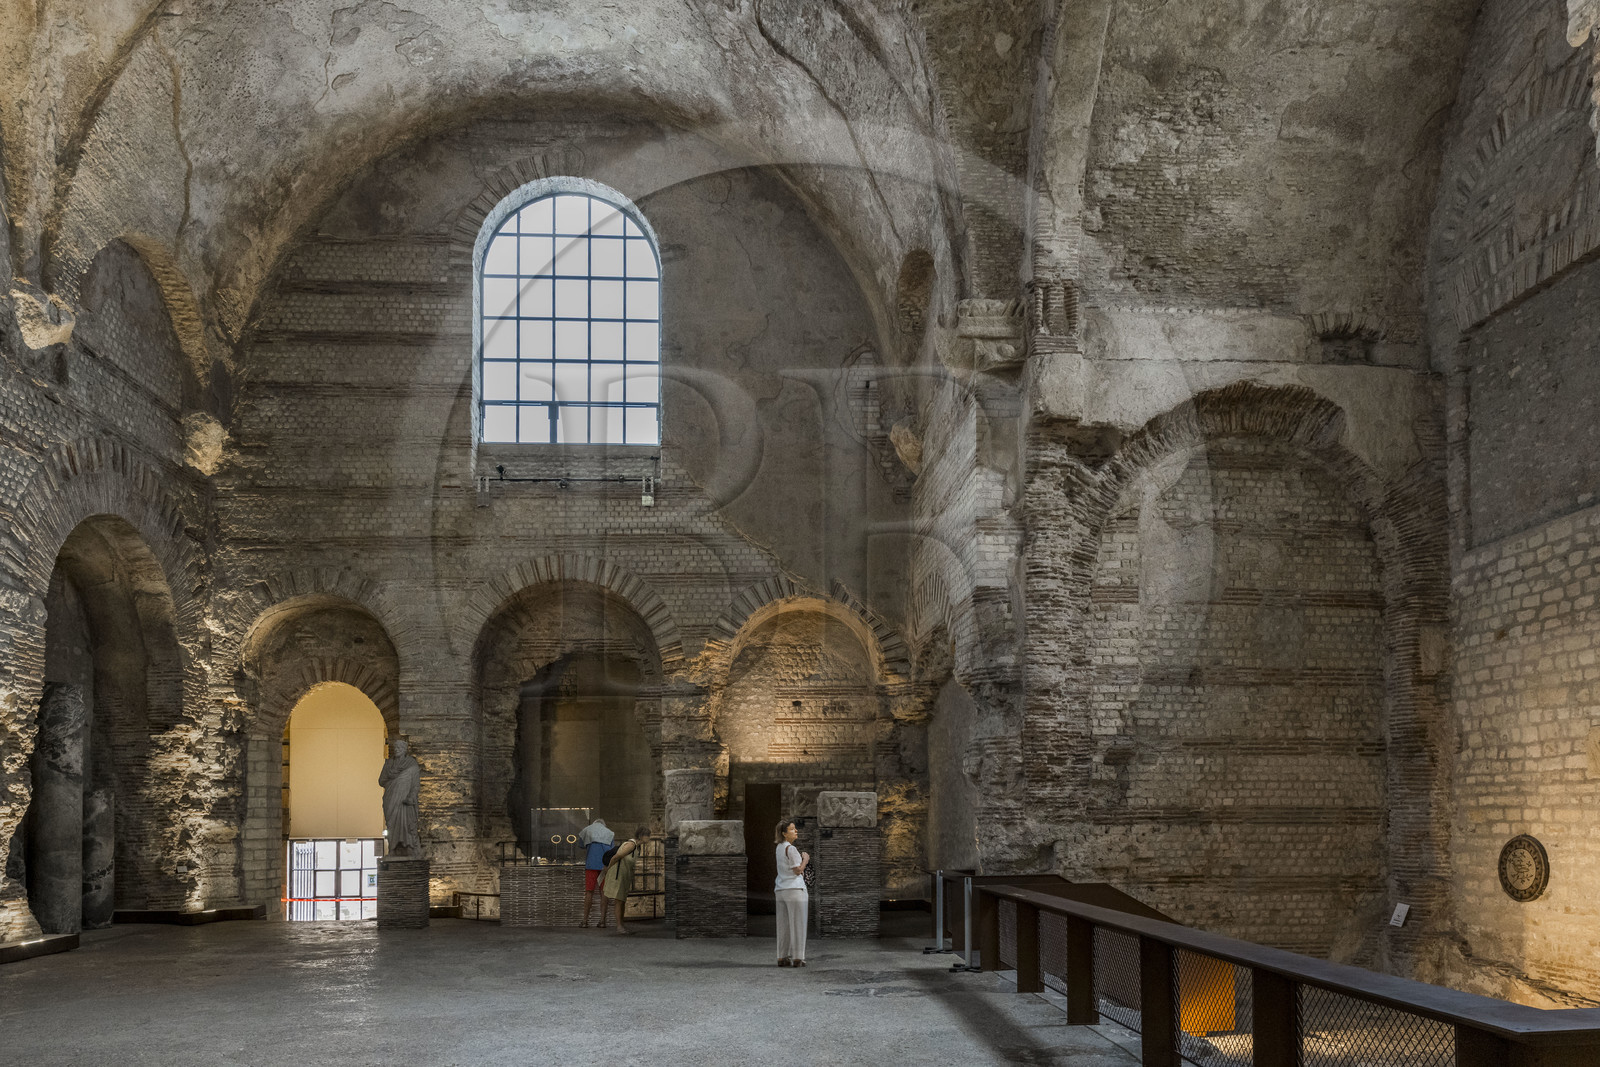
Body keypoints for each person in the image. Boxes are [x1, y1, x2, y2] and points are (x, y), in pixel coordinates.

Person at [597, 826, 650, 935]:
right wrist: (607, 869)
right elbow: (616, 857)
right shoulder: (631, 845)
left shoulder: (637, 847)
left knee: (622, 901)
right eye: (647, 835)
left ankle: (621, 925)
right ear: (642, 836)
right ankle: (619, 927)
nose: (649, 838)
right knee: (619, 901)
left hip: (624, 875)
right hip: (618, 875)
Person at [774, 819, 809, 967]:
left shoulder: (779, 848)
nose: (796, 831)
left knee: (783, 925)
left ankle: (782, 956)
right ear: (784, 833)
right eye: (792, 829)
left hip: (781, 889)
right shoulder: (791, 849)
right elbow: (797, 870)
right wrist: (805, 860)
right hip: (795, 890)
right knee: (798, 924)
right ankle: (797, 958)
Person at [378, 739, 421, 856]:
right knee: (391, 823)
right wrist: (395, 781)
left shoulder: (411, 763)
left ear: (404, 750)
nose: (397, 750)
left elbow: (416, 784)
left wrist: (411, 796)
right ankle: (393, 848)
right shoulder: (389, 764)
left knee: (407, 823)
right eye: (396, 748)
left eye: (400, 748)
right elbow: (381, 781)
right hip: (391, 798)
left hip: (405, 800)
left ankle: (409, 848)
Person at [577, 818, 614, 929]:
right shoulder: (610, 833)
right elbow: (612, 851)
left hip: (590, 865)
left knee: (589, 892)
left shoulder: (586, 830)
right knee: (604, 893)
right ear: (604, 824)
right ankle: (602, 921)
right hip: (604, 867)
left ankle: (584, 921)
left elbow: (581, 845)